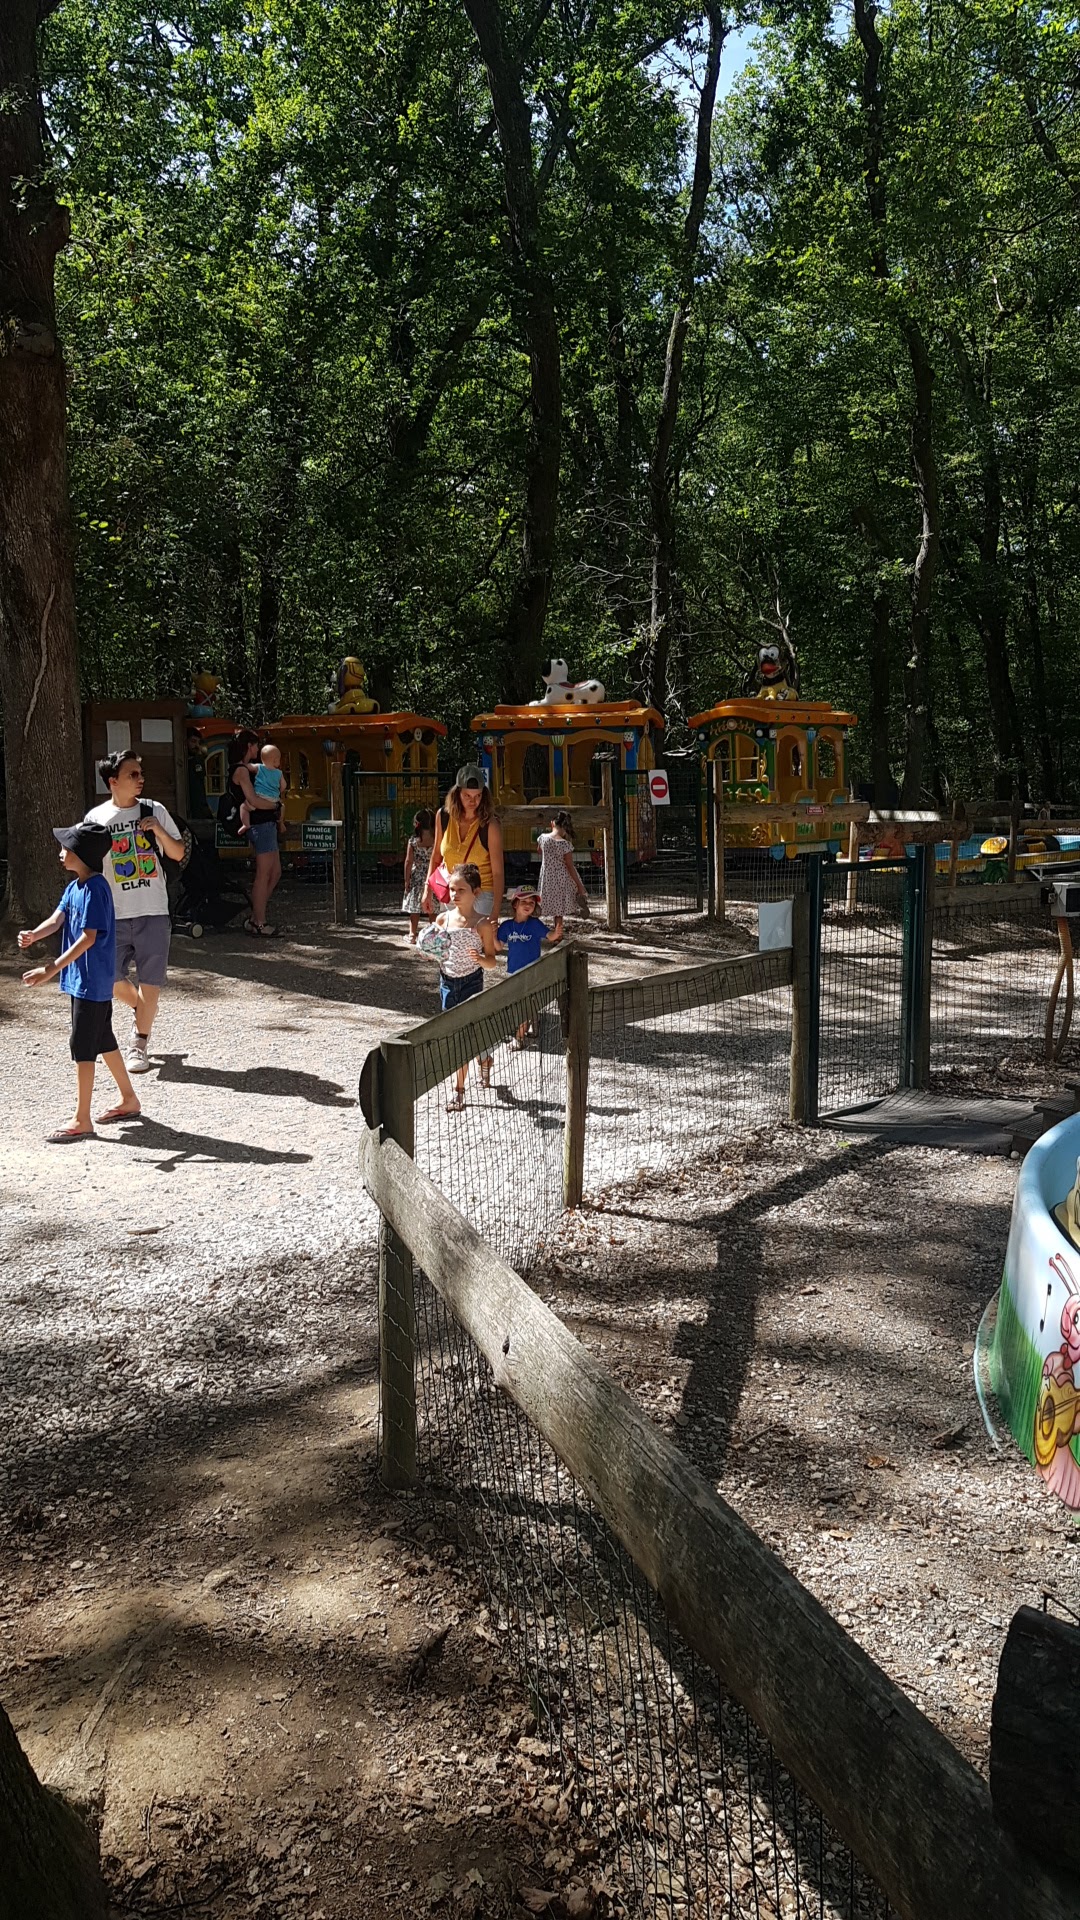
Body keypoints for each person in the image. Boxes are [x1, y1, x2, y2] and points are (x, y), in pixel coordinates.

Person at [18, 823, 142, 1142]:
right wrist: (34, 935)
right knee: (102, 1039)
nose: (61, 853)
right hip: (82, 982)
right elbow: (56, 920)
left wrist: (50, 969)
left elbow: (88, 938)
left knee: (83, 1046)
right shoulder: (75, 887)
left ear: (82, 855)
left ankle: (82, 1119)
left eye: (66, 849)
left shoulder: (96, 889)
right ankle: (129, 1099)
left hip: (92, 983)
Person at [85, 748, 185, 1074]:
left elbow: (178, 852)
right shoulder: (96, 819)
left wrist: (158, 830)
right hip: (112, 913)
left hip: (153, 910)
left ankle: (138, 1043)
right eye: (133, 775)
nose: (141, 779)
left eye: (141, 774)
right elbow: (87, 867)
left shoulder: (155, 809)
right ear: (112, 781)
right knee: (108, 976)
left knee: (151, 980)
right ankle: (145, 1010)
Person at [417, 863, 498, 1109]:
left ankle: (470, 1075)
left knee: (468, 1035)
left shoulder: (482, 925)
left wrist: (480, 959)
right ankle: (471, 1075)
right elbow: (433, 948)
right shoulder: (443, 919)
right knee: (455, 1035)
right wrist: (427, 952)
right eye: (452, 889)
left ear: (476, 892)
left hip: (472, 981)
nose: (455, 894)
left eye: (461, 889)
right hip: (448, 982)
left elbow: (492, 962)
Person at [424, 764, 504, 924]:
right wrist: (427, 890)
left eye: (478, 796)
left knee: (475, 938)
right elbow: (436, 856)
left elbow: (498, 873)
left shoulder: (490, 825)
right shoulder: (443, 816)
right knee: (449, 937)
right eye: (467, 795)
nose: (473, 801)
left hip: (480, 893)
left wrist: (495, 913)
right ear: (457, 793)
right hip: (452, 891)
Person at [223, 729, 281, 936]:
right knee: (263, 875)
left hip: (267, 824)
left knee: (275, 872)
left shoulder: (249, 769)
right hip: (259, 825)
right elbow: (253, 801)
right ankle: (260, 922)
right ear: (249, 746)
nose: (258, 749)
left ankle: (256, 917)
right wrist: (275, 806)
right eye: (256, 745)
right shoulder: (241, 771)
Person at [495, 883, 564, 1048]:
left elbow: (550, 936)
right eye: (524, 902)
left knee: (524, 1005)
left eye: (531, 903)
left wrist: (557, 931)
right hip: (513, 972)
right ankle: (533, 1022)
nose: (527, 905)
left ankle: (519, 1038)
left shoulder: (535, 924)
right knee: (521, 1003)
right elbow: (498, 947)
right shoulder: (506, 926)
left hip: (532, 972)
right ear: (515, 904)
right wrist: (490, 934)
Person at [537, 810, 590, 923]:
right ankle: (581, 898)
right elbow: (569, 866)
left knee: (556, 909)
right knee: (570, 894)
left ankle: (554, 926)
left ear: (552, 824)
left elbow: (539, 851)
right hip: (561, 878)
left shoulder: (542, 838)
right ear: (566, 827)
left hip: (547, 878)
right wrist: (579, 885)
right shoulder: (565, 845)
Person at [402, 807, 436, 944]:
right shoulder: (437, 840)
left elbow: (408, 862)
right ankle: (434, 933)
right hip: (432, 875)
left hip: (417, 876)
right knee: (433, 906)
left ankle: (412, 934)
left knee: (414, 907)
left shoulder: (413, 841)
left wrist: (407, 880)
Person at [240, 743, 285, 836]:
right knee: (282, 806)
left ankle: (245, 824)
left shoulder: (259, 767)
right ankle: (281, 823)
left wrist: (242, 764)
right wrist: (278, 791)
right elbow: (284, 786)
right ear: (276, 760)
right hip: (273, 798)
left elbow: (248, 766)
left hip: (259, 797)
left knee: (244, 807)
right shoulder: (279, 773)